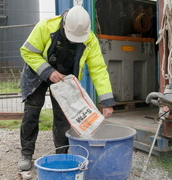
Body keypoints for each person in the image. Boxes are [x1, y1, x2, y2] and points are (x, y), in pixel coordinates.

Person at [18, 6, 115, 171]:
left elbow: (98, 69)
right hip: (38, 72)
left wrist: (107, 101)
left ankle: (61, 154)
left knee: (62, 117)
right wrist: (48, 71)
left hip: (64, 78)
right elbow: (27, 52)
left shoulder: (90, 39)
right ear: (64, 24)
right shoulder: (45, 26)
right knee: (32, 112)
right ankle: (26, 153)